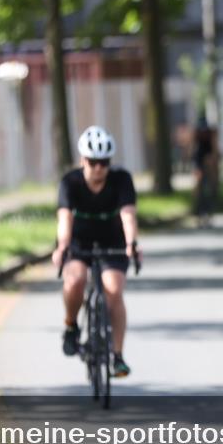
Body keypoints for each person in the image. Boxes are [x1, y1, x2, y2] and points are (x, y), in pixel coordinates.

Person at [53, 126, 138, 378]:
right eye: (93, 162)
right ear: (83, 161)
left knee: (113, 289)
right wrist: (62, 247)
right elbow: (64, 219)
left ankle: (118, 356)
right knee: (75, 280)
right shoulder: (70, 182)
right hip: (79, 241)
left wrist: (132, 243)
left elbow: (128, 216)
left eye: (104, 162)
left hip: (113, 240)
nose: (99, 168)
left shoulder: (121, 180)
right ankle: (71, 326)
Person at [192, 115, 220, 228]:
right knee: (200, 191)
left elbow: (213, 151)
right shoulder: (198, 135)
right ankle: (200, 214)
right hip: (200, 164)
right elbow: (194, 152)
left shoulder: (209, 135)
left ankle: (207, 215)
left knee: (207, 190)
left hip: (207, 163)